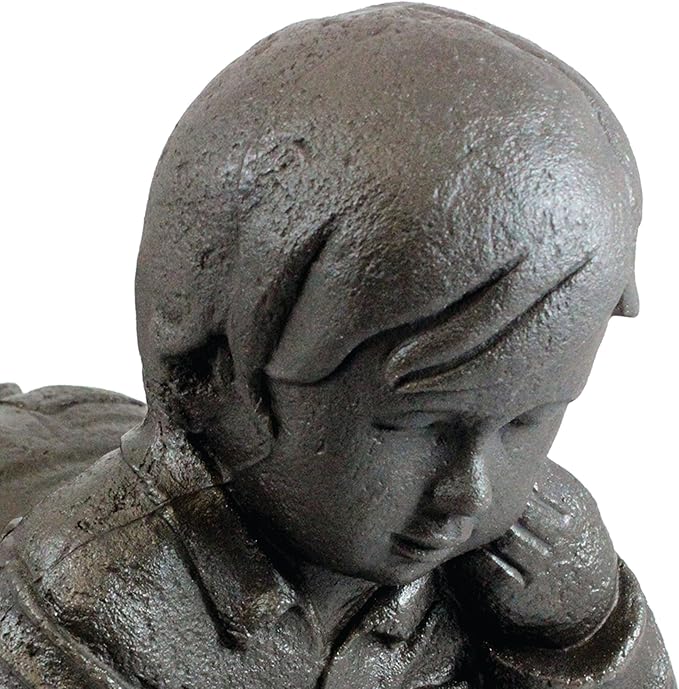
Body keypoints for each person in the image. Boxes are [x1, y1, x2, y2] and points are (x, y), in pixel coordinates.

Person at [0, 4, 674, 687]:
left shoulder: (492, 575)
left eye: (527, 421)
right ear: (211, 376)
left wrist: (582, 636)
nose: (468, 492)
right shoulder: (94, 603)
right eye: (418, 425)